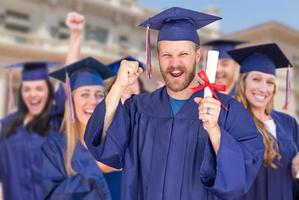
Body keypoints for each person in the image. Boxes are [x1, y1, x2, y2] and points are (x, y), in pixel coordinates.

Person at [84, 7, 264, 200]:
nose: (174, 64)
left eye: (183, 54)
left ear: (197, 55)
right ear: (158, 57)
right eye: (167, 55)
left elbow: (243, 174)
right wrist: (118, 86)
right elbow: (103, 147)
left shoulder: (227, 110)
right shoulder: (138, 109)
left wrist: (215, 132)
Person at [228, 43, 299, 200]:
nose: (263, 88)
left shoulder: (289, 124)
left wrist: (296, 172)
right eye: (256, 79)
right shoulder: (230, 123)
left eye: (270, 82)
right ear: (243, 82)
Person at [41, 57, 115, 199]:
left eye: (99, 95)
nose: (93, 101)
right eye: (84, 94)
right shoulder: (54, 148)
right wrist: (95, 169)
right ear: (71, 103)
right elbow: (51, 196)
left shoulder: (117, 144)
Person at [0, 62, 61, 200]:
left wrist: (75, 41)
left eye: (39, 88)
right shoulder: (7, 125)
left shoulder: (56, 122)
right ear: (21, 93)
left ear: (49, 91)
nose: (32, 94)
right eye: (27, 89)